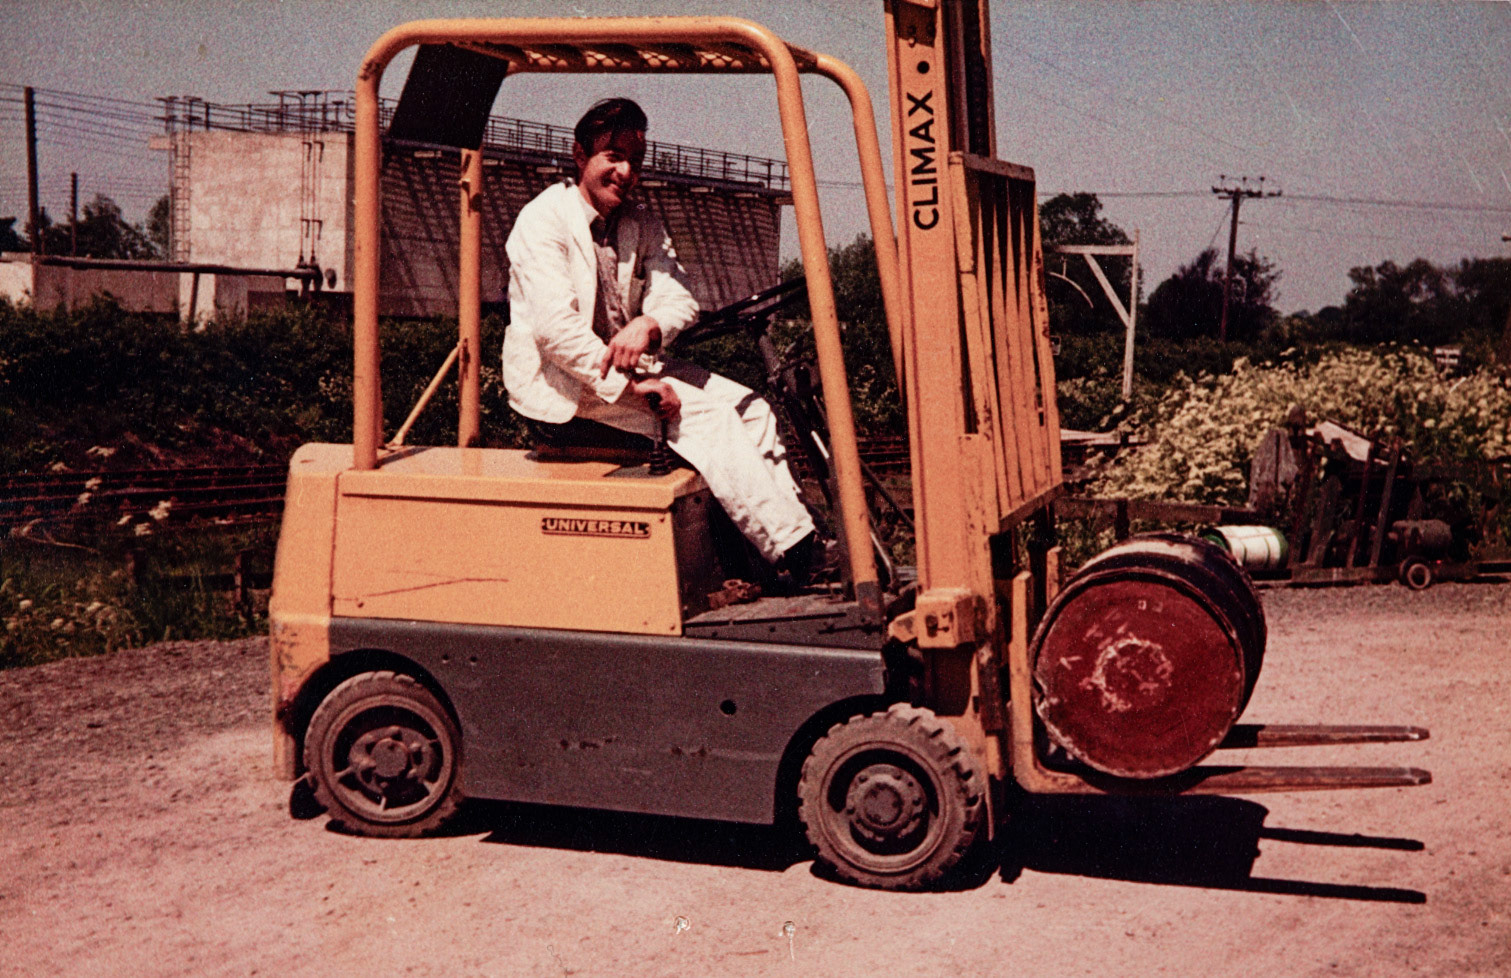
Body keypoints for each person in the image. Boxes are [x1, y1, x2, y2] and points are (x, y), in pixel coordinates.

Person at [502, 97, 822, 580]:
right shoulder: (543, 221)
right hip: (561, 392)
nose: (625, 172)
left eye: (634, 160)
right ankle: (797, 555)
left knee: (751, 409)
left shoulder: (641, 223)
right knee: (710, 419)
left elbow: (678, 300)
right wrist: (636, 391)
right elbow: (556, 333)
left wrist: (648, 325)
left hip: (620, 373)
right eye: (612, 156)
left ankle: (791, 538)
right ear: (579, 157)